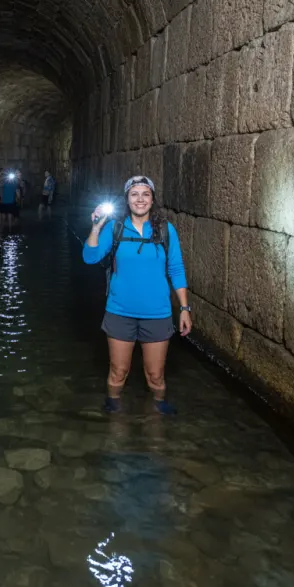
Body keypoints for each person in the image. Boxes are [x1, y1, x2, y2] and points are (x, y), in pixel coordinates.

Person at [82, 175, 191, 414]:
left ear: (152, 200)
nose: (140, 199)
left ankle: (157, 413)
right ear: (127, 200)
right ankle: (114, 413)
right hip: (120, 311)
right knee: (118, 371)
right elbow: (90, 257)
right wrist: (97, 227)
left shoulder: (165, 230)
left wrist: (184, 308)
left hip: (158, 313)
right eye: (134, 194)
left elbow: (176, 269)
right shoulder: (115, 228)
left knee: (155, 375)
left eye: (145, 194)